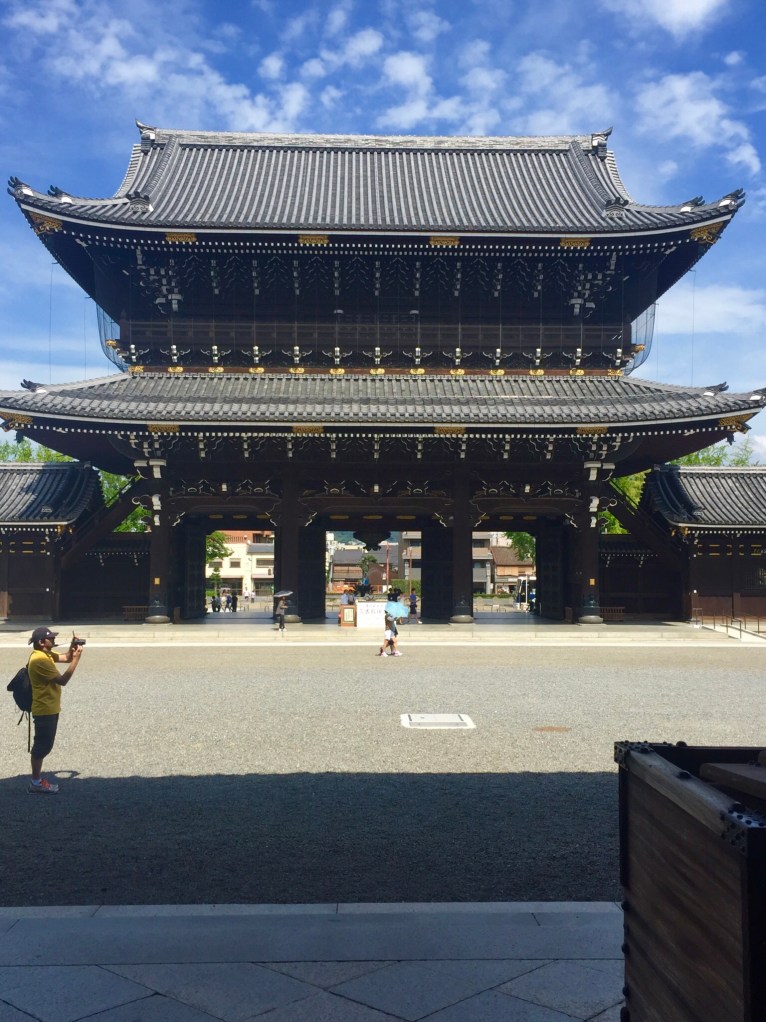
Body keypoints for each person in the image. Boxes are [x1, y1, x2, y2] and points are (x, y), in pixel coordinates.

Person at [27, 626, 83, 794]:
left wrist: (72, 649)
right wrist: (77, 659)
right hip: (44, 708)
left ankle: (36, 780)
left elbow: (65, 657)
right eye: (50, 638)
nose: (53, 640)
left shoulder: (45, 654)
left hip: (49, 706)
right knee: (42, 747)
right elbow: (62, 680)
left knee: (45, 745)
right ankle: (35, 782)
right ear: (41, 642)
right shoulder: (40, 660)